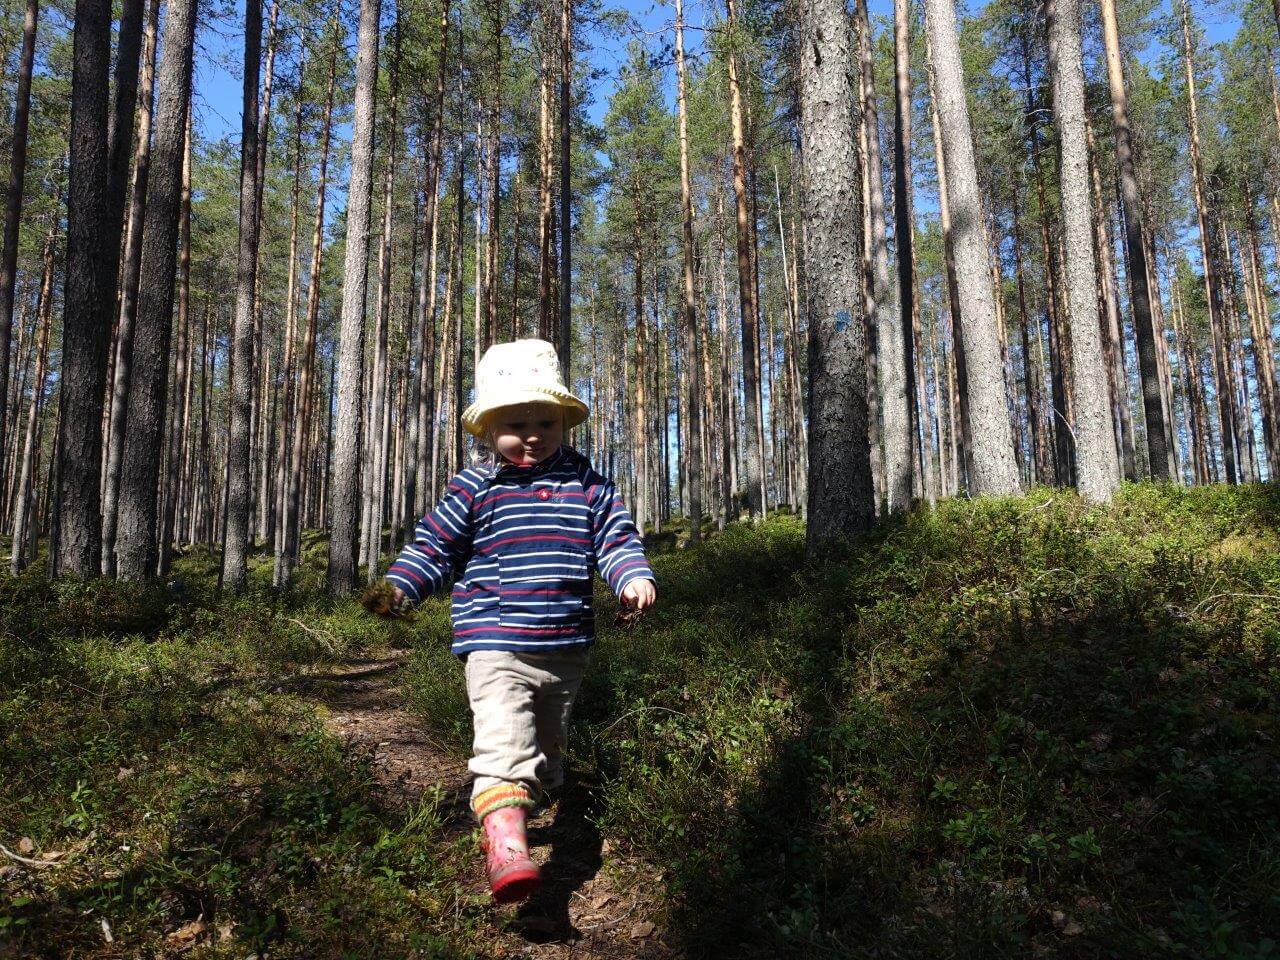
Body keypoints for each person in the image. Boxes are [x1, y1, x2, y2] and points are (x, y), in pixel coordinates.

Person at [367, 338, 657, 905]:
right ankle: (507, 851)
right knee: (504, 743)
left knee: (546, 753)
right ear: (487, 430)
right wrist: (401, 585)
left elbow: (617, 538)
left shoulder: (590, 485)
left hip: (565, 643)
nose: (530, 435)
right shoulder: (476, 487)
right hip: (494, 640)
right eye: (514, 424)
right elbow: (435, 546)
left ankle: (528, 798)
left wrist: (630, 576)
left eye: (545, 421)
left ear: (565, 422)